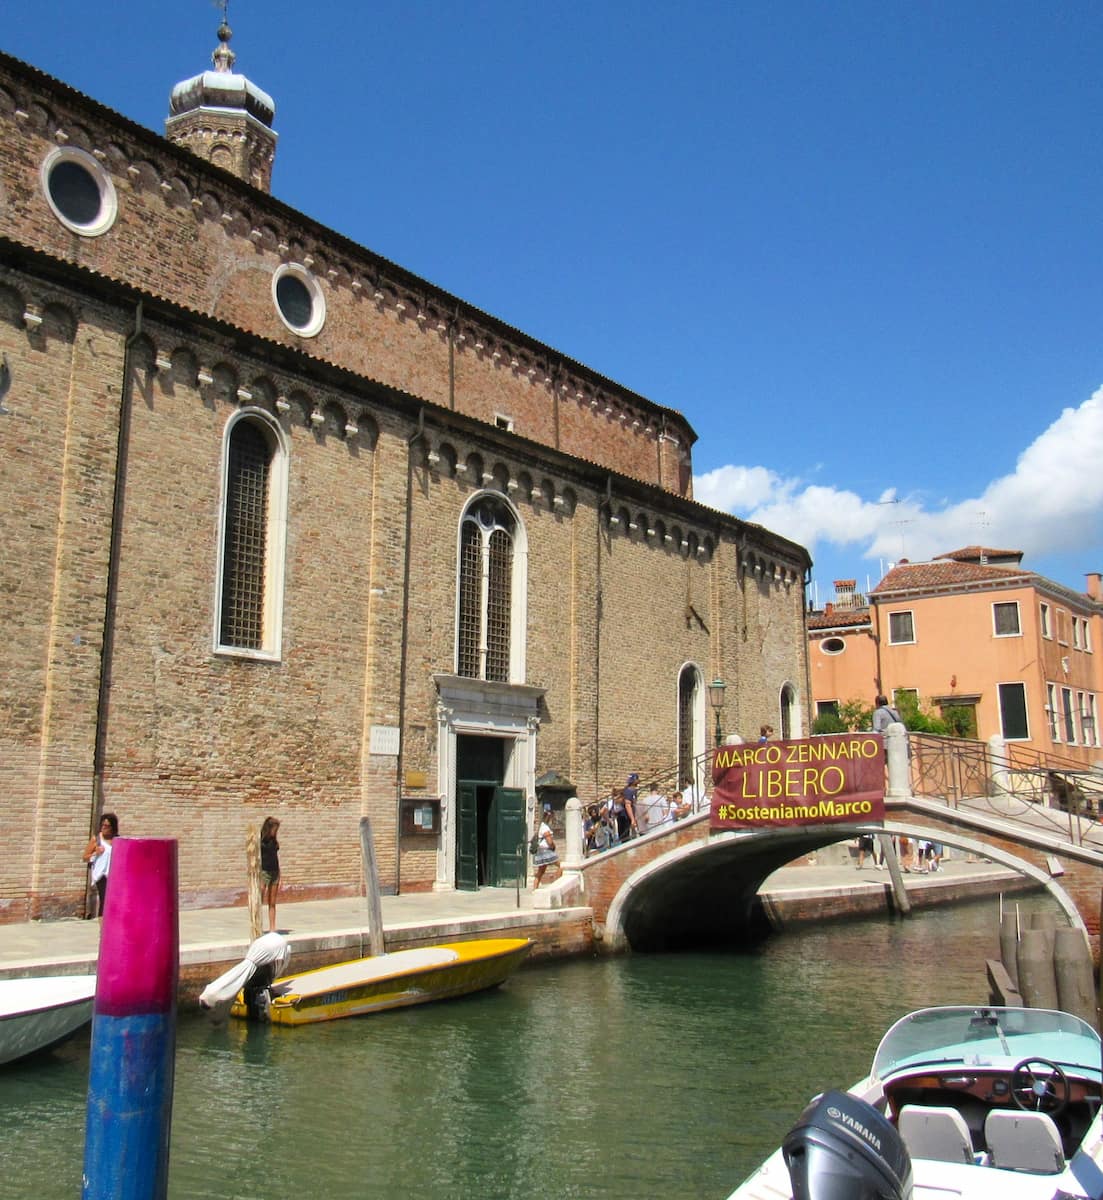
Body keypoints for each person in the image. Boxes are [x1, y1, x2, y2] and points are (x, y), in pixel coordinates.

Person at [83, 812, 118, 918]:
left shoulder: (117, 840)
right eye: (102, 825)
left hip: (114, 874)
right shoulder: (96, 840)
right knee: (104, 899)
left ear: (113, 827)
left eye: (107, 826)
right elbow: (85, 857)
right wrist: (95, 853)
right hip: (101, 875)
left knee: (114, 899)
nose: (104, 828)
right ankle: (102, 928)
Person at [259, 816, 281, 933]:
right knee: (260, 897)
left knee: (272, 902)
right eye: (275, 829)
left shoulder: (274, 841)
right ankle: (258, 925)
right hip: (264, 871)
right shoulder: (261, 841)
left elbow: (276, 858)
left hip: (275, 871)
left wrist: (280, 874)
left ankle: (272, 928)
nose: (276, 832)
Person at [532, 803, 559, 889]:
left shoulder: (542, 826)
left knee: (540, 872)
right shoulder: (545, 828)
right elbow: (550, 842)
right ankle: (555, 883)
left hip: (541, 851)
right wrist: (553, 845)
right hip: (546, 851)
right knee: (562, 866)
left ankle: (534, 889)